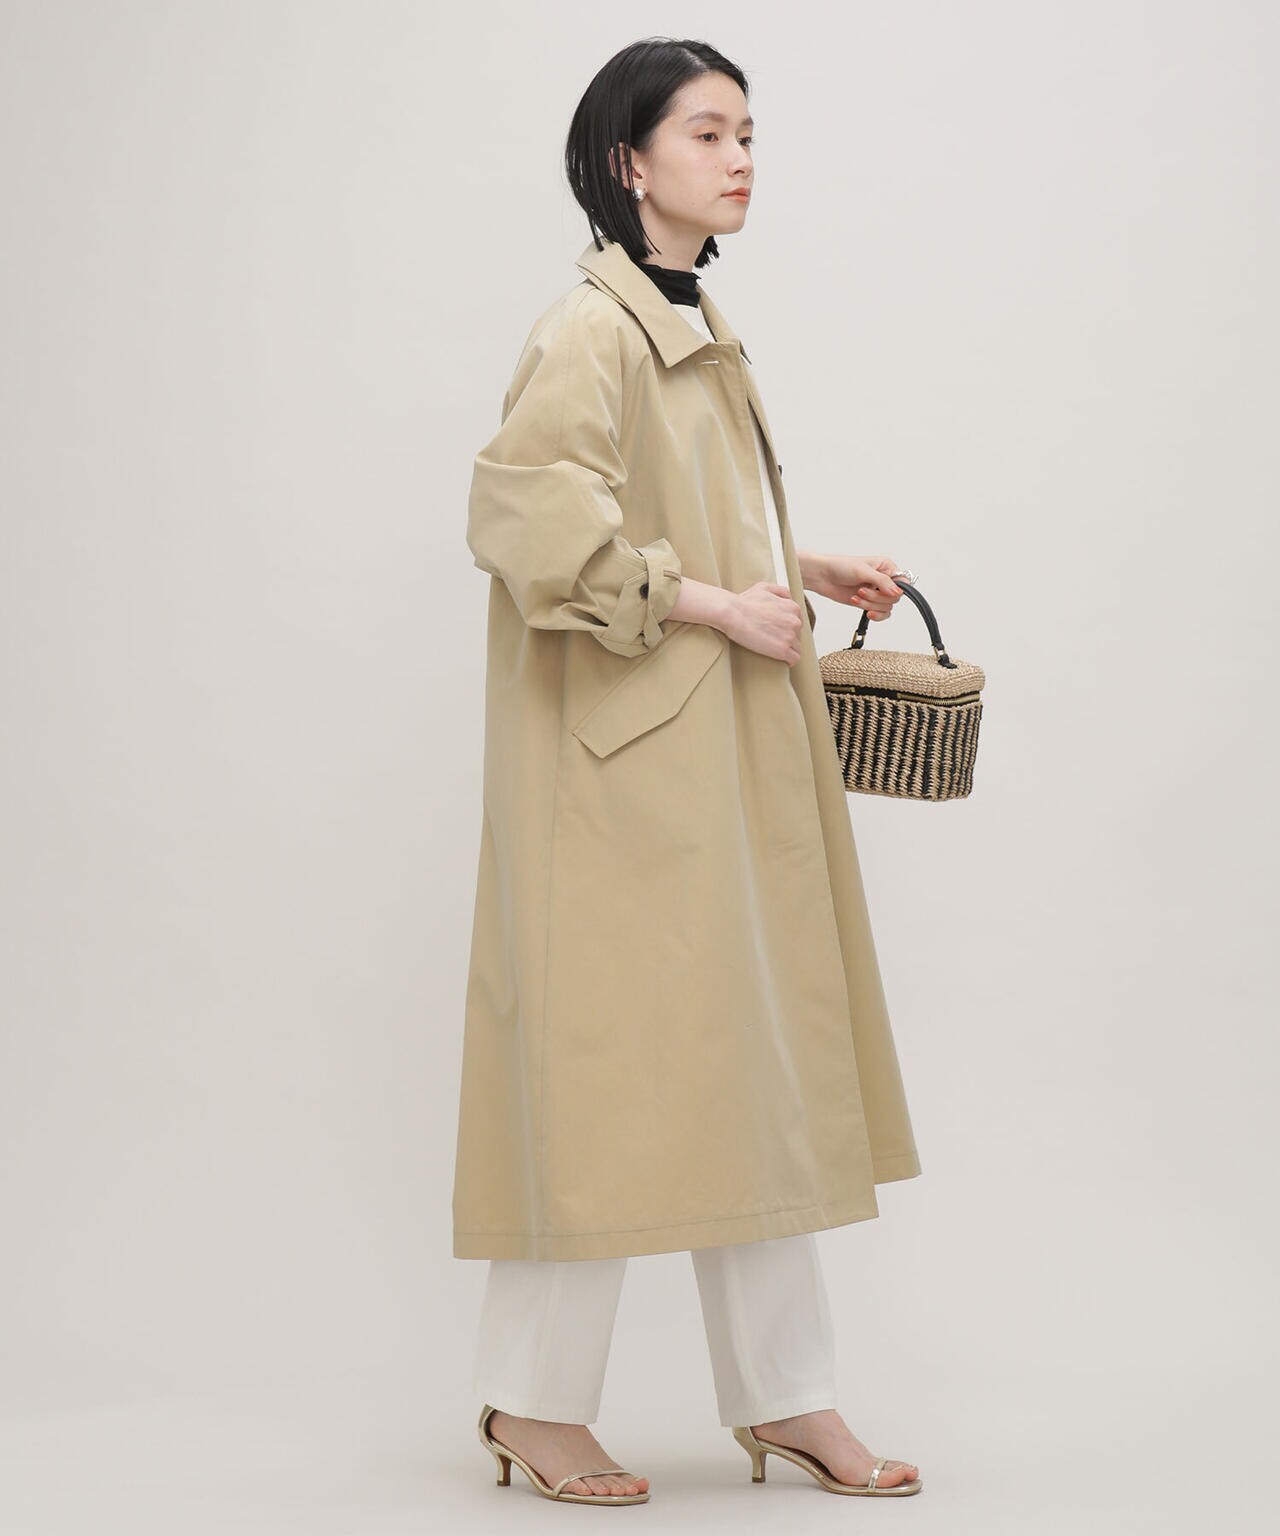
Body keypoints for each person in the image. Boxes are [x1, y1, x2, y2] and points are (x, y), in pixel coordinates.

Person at [453, 36, 924, 1505]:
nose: (740, 159)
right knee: (595, 1081)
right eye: (708, 134)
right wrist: (722, 607)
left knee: (752, 1064)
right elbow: (532, 528)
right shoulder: (588, 330)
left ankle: (789, 1397)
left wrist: (800, 565)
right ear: (627, 160)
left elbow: (672, 515)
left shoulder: (690, 316)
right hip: (621, 778)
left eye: (748, 134)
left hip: (707, 760)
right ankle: (532, 1407)